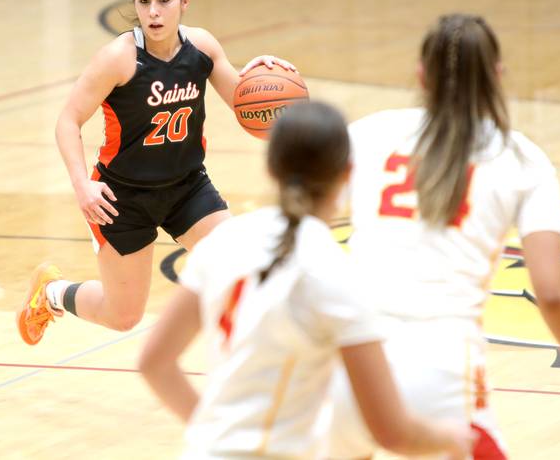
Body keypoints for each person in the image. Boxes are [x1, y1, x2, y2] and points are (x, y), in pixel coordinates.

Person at [138, 101, 472, 459]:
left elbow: (153, 362)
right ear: (348, 173)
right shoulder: (332, 270)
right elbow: (391, 432)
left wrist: (211, 433)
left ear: (270, 167)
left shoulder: (225, 240)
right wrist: (451, 438)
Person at [324, 13, 560, 459]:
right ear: (497, 76)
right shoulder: (522, 159)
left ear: (421, 76)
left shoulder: (367, 133)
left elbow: (305, 222)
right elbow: (554, 294)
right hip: (440, 372)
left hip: (348, 362)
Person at [17, 0, 293, 342]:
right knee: (123, 316)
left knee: (241, 263)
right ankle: (52, 293)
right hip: (121, 198)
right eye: (143, 2)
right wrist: (82, 185)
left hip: (186, 186)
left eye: (163, 1)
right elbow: (67, 121)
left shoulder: (201, 47)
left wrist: (264, 76)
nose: (153, 12)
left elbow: (247, 107)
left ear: (184, 2)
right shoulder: (118, 58)